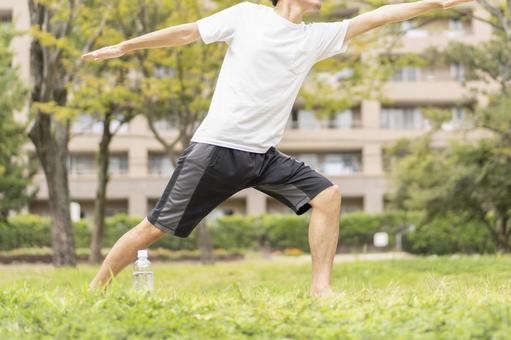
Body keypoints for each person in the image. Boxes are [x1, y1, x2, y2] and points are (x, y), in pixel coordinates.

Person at [82, 0, 472, 296]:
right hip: (217, 149)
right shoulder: (247, 16)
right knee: (154, 228)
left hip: (264, 156)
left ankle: (321, 290)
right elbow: (186, 32)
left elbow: (379, 16)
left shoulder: (314, 37)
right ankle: (96, 290)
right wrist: (125, 46)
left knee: (328, 196)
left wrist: (439, 3)